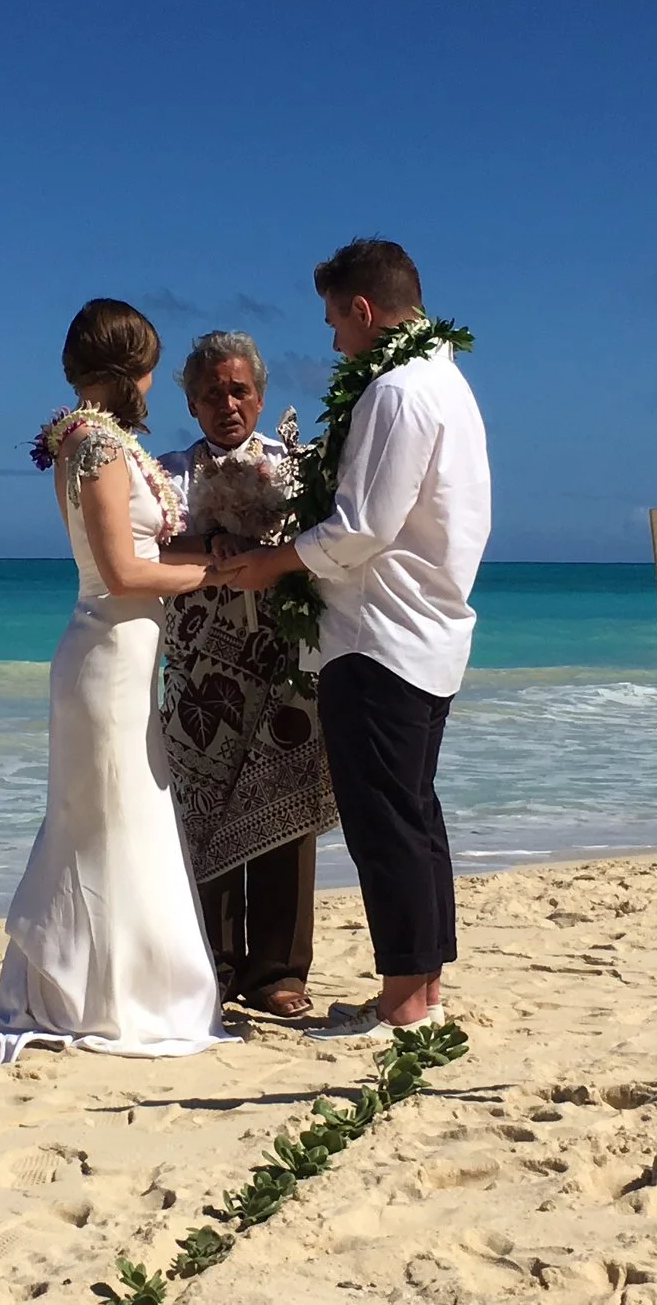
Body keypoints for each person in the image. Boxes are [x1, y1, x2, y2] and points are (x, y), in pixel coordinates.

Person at [212, 239, 491, 1039]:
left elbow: (361, 527)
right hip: (428, 628)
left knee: (385, 823)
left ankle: (403, 999)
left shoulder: (397, 391)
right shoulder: (448, 382)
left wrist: (272, 562)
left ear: (364, 311)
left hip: (380, 635)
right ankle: (422, 989)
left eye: (336, 321)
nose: (335, 341)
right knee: (413, 812)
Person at [0, 299, 232, 1066]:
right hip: (109, 656)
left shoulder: (86, 439)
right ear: (130, 371)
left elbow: (141, 547)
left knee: (118, 821)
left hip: (116, 658)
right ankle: (111, 996)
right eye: (150, 368)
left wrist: (202, 548)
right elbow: (123, 572)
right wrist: (215, 574)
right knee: (112, 824)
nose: (153, 382)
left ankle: (104, 985)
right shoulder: (100, 448)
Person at [155, 330, 338, 1020]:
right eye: (211, 394)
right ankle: (214, 963)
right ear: (192, 404)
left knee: (283, 807)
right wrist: (210, 542)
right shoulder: (169, 475)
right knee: (200, 811)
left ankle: (279, 973)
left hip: (284, 664)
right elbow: (144, 546)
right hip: (199, 672)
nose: (226, 404)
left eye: (238, 390)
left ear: (260, 396)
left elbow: (326, 544)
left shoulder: (297, 469)